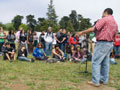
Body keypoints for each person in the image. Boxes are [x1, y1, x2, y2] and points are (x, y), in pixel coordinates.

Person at [78, 8, 118, 87]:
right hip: (110, 43)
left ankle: (95, 81)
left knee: (95, 61)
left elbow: (94, 29)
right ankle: (104, 80)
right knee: (105, 63)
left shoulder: (104, 19)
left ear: (105, 12)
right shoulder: (115, 22)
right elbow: (115, 34)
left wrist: (82, 32)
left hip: (102, 43)